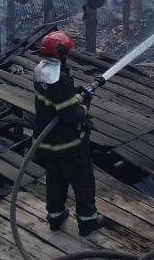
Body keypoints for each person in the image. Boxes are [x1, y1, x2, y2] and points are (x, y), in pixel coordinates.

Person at [33, 30, 107, 236]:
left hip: (48, 142)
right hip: (68, 143)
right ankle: (88, 222)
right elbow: (73, 115)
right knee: (82, 181)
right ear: (61, 52)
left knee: (55, 179)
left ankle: (55, 217)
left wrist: (75, 96)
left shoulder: (40, 71)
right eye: (67, 52)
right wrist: (86, 102)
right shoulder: (60, 79)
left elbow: (57, 102)